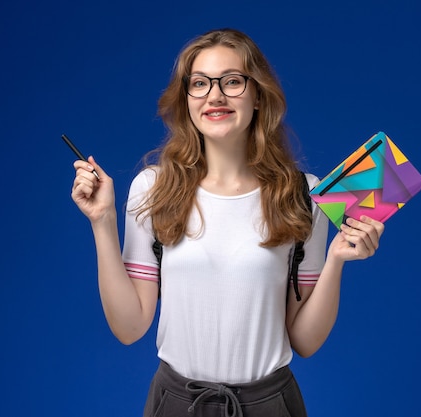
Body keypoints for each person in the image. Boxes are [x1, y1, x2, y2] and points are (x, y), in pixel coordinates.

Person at [70, 28, 384, 417]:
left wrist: (336, 259)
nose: (214, 95)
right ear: (186, 100)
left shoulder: (303, 193)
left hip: (271, 405)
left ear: (258, 95)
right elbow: (130, 327)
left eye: (232, 81)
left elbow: (304, 340)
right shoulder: (152, 188)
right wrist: (102, 222)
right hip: (176, 405)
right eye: (199, 84)